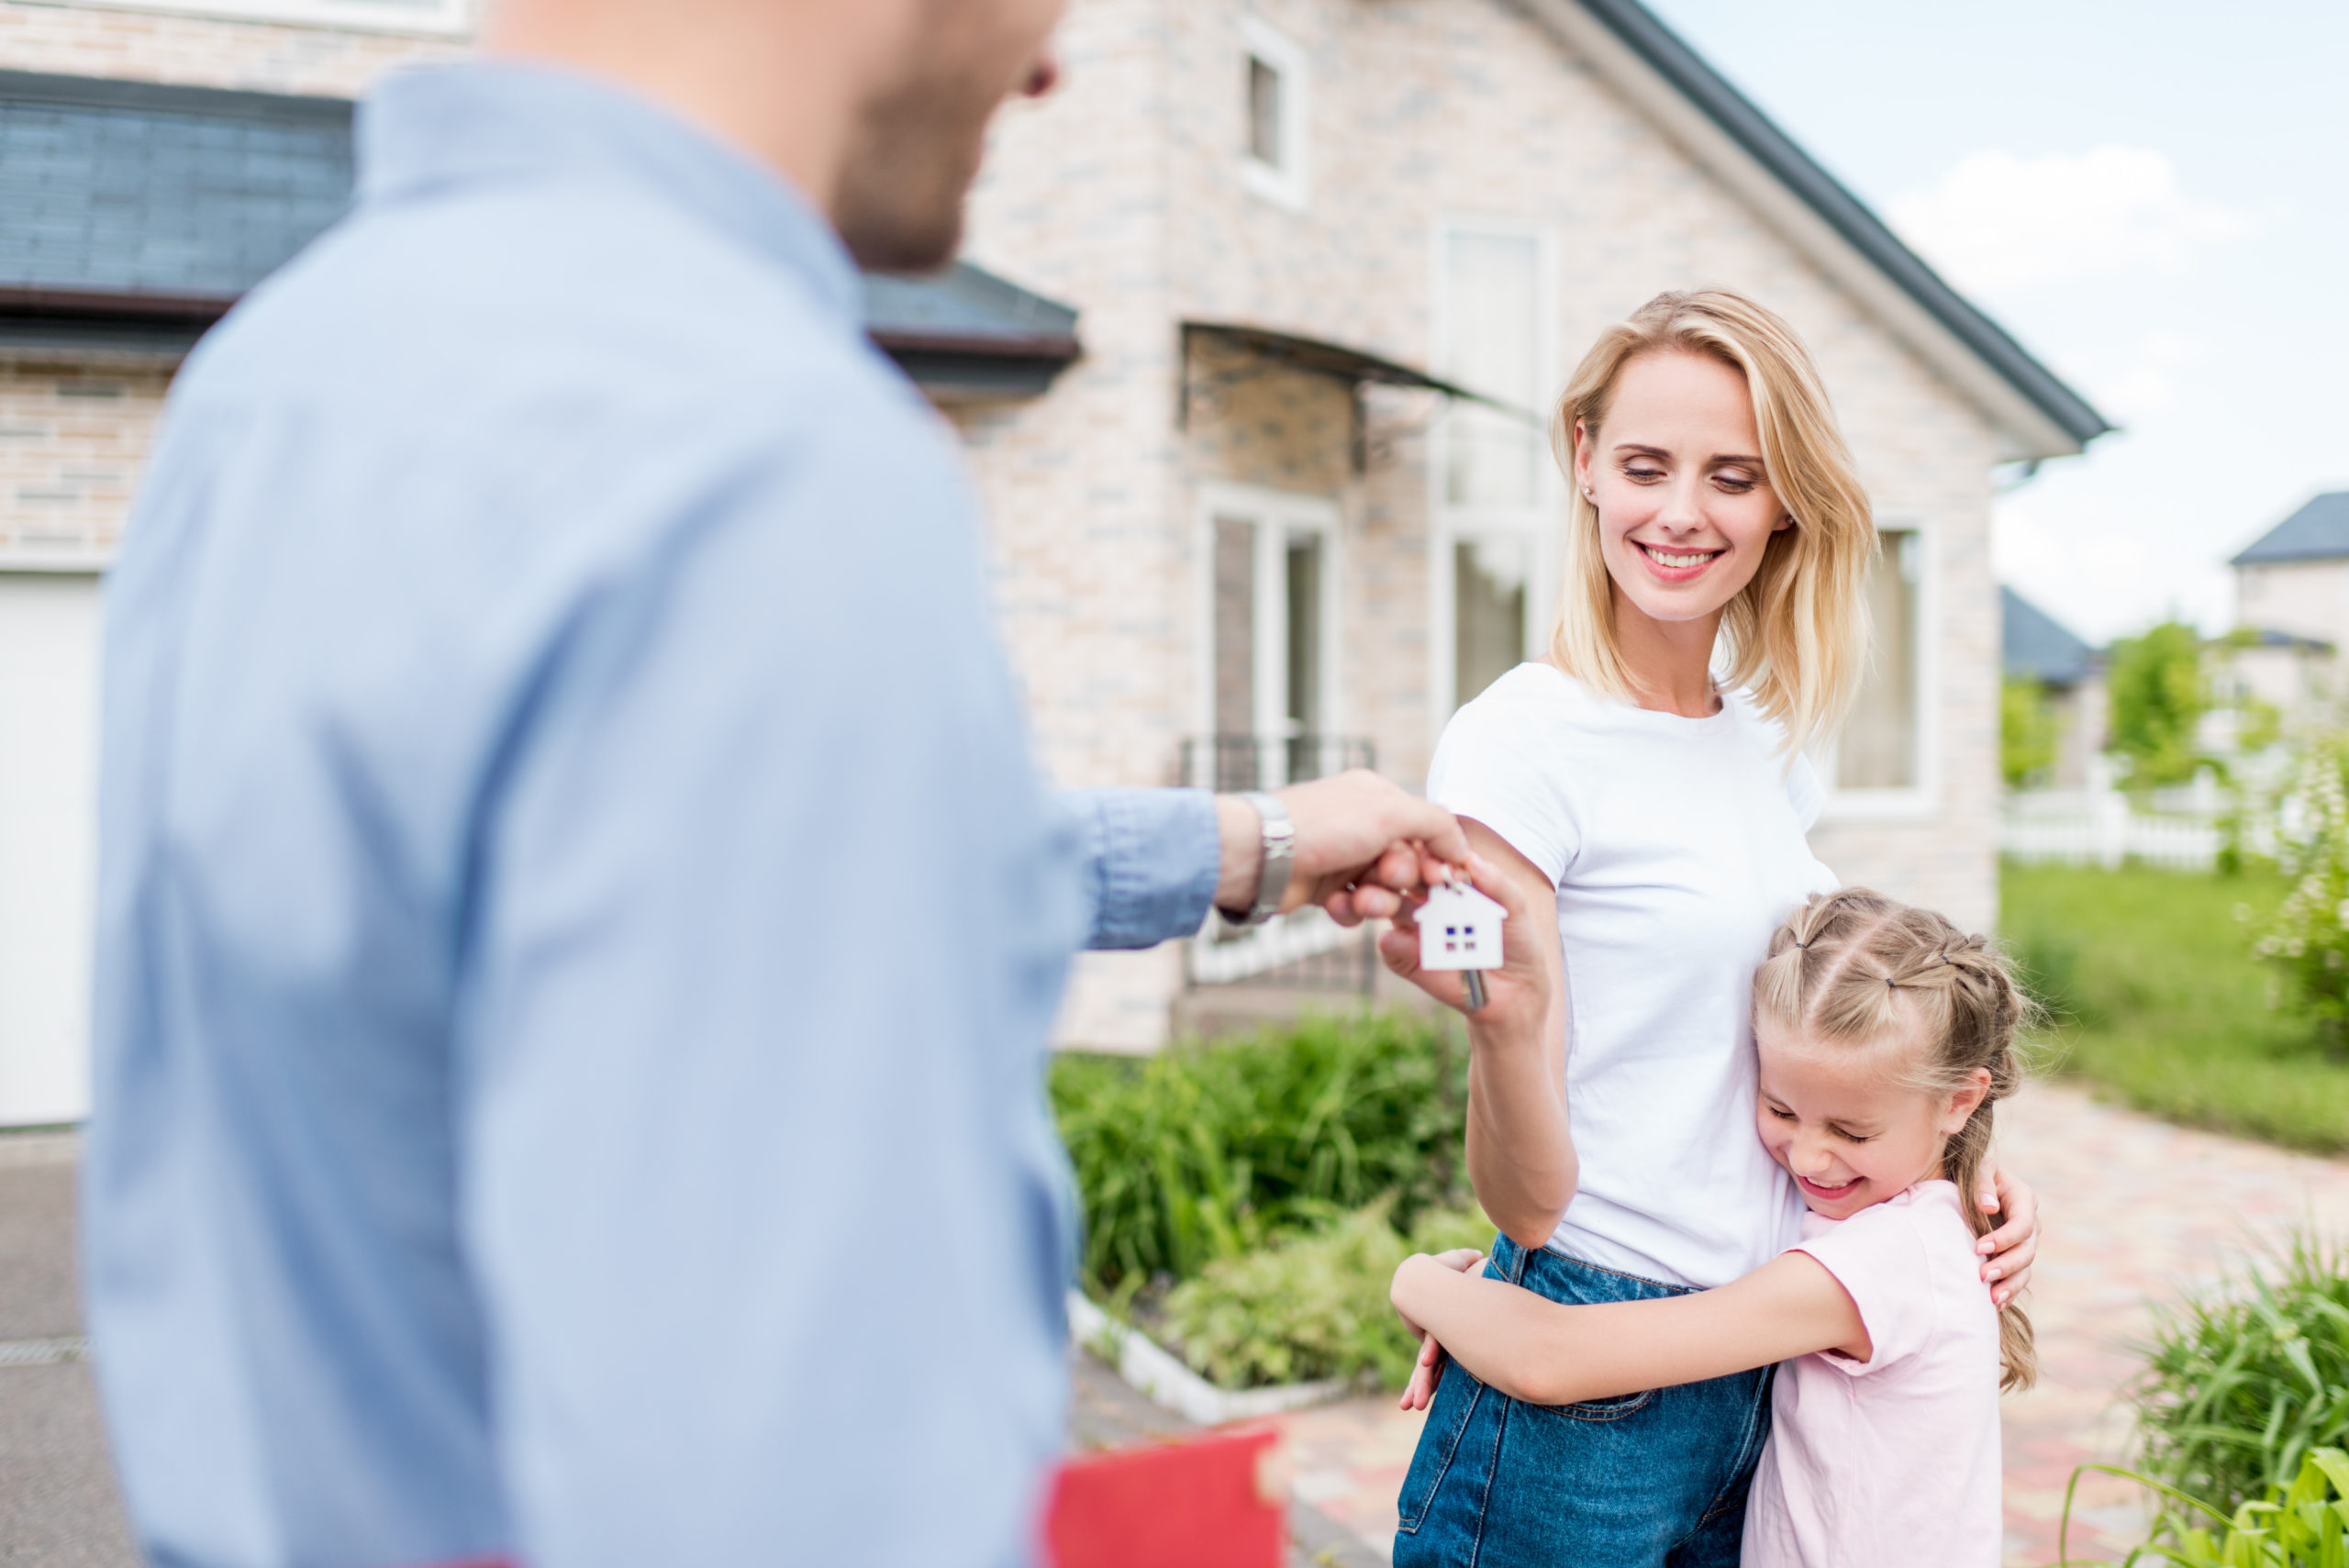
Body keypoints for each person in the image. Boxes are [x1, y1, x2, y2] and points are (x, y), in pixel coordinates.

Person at [82, 3, 1469, 1565]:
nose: (1050, 64)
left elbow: (610, 875)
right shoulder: (760, 462)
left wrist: (1255, 841)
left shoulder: (279, 378)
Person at [1373, 289, 2041, 1565]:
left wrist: (1960, 1159)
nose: (1681, 513)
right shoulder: (1517, 747)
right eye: (1644, 465)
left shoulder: (1767, 739)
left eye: (1733, 476)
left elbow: (1804, 1045)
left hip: (1758, 1369)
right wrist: (1481, 1295)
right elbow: (1524, 1191)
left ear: (1784, 498)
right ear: (1582, 461)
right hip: (1588, 1380)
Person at [1388, 888, 2035, 1568]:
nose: (1809, 1157)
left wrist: (1419, 1281)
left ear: (1961, 1099)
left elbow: (1547, 1359)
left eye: (1851, 1130)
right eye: (1781, 1108)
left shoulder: (1884, 1260)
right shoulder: (1926, 1227)